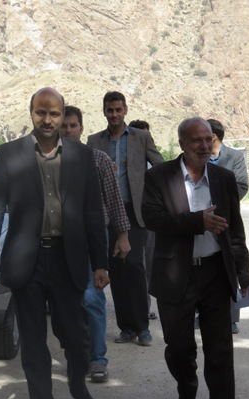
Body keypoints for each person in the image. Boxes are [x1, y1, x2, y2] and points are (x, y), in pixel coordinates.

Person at [0, 87, 109, 399]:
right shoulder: (9, 154)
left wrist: (100, 263)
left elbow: (93, 213)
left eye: (54, 114)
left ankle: (78, 386)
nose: (47, 120)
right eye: (41, 113)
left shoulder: (83, 156)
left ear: (62, 115)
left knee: (76, 340)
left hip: (68, 260)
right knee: (34, 345)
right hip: (27, 263)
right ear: (31, 113)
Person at [141, 117, 249, 399]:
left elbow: (235, 230)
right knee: (179, 348)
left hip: (216, 273)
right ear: (182, 144)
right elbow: (151, 218)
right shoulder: (159, 176)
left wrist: (244, 274)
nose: (204, 146)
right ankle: (186, 390)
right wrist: (197, 222)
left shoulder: (224, 178)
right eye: (196, 141)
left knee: (220, 349)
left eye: (208, 139)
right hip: (176, 273)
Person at [61, 105, 131, 383]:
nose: (68, 130)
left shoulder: (98, 159)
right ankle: (76, 356)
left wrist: (123, 234)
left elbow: (114, 199)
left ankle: (98, 359)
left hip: (93, 237)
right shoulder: (47, 161)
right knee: (66, 300)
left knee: (92, 297)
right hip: (59, 239)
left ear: (81, 128)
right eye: (64, 125)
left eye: (73, 125)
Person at [87, 91, 163, 346]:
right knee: (116, 269)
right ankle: (126, 328)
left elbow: (159, 165)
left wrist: (158, 195)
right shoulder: (94, 141)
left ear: (125, 110)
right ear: (104, 111)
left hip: (135, 211)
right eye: (110, 110)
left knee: (134, 265)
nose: (114, 114)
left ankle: (142, 327)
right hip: (106, 211)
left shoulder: (141, 137)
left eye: (118, 109)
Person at [205, 118, 249, 334]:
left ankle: (231, 318)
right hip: (203, 219)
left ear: (213, 135)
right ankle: (203, 314)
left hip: (227, 218)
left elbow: (242, 185)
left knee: (230, 265)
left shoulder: (235, 156)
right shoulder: (200, 157)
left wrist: (223, 204)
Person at [127, 118, 158, 322]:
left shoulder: (154, 165)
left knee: (149, 264)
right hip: (131, 219)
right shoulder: (128, 165)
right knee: (134, 265)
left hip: (150, 220)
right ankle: (137, 310)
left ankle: (144, 307)